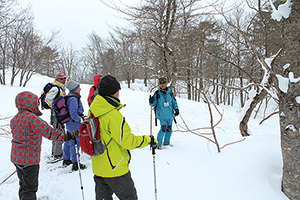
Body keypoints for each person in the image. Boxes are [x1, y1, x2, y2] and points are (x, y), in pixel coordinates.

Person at [89, 75, 158, 200]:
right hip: (116, 170)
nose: (118, 93)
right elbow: (127, 142)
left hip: (99, 168)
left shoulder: (93, 110)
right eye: (117, 91)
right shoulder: (113, 115)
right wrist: (147, 139)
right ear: (112, 93)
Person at [10, 91, 75, 200]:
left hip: (17, 158)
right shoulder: (32, 118)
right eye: (36, 103)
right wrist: (66, 136)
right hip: (29, 161)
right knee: (30, 188)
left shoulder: (16, 118)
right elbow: (49, 132)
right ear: (30, 104)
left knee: (24, 185)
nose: (37, 105)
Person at [149, 77, 179, 149]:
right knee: (163, 129)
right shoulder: (157, 93)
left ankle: (166, 142)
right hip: (161, 114)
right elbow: (153, 105)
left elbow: (174, 102)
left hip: (170, 114)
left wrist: (176, 109)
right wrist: (151, 101)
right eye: (161, 83)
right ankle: (158, 144)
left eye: (163, 83)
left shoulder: (170, 92)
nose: (162, 84)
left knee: (169, 129)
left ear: (166, 83)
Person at [64, 80, 87, 171]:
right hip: (74, 124)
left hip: (69, 123)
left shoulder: (70, 97)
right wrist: (80, 120)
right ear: (74, 89)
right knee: (75, 143)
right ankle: (75, 163)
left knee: (68, 140)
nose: (80, 89)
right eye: (78, 87)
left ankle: (66, 159)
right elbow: (73, 113)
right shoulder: (73, 99)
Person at [45, 72, 67, 159]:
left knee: (58, 131)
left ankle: (56, 152)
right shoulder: (56, 88)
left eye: (65, 78)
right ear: (57, 79)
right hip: (56, 114)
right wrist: (56, 107)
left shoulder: (60, 87)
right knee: (58, 132)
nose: (64, 80)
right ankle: (57, 154)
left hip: (58, 113)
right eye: (62, 78)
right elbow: (48, 99)